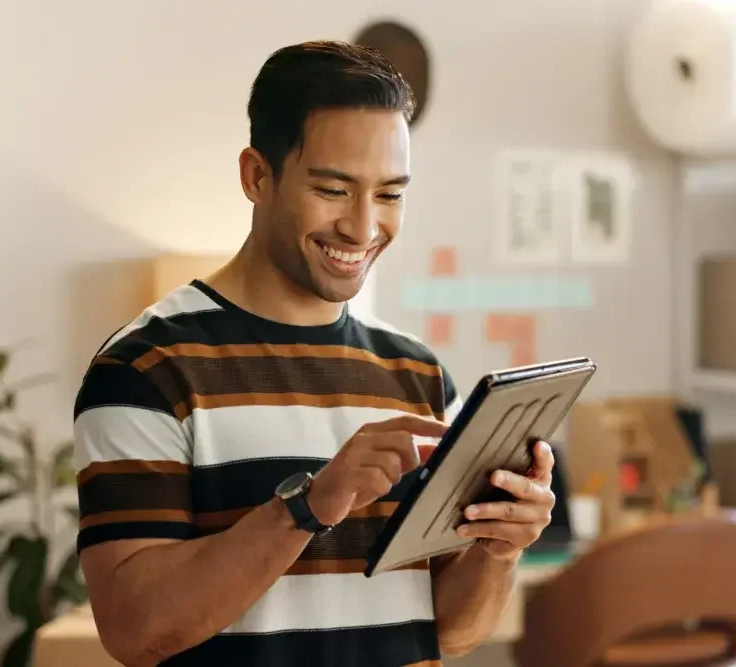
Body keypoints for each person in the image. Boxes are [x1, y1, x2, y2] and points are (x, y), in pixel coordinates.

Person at [73, 40, 556, 667]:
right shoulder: (146, 368)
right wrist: (306, 507)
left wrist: (499, 549)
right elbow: (136, 630)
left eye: (389, 194)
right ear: (255, 176)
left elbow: (448, 629)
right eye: (333, 189)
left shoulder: (421, 377)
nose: (362, 228)